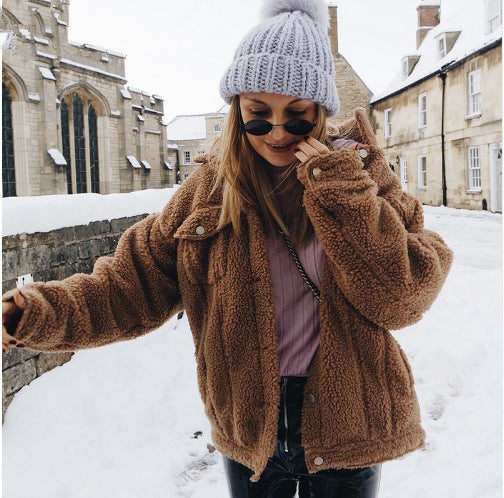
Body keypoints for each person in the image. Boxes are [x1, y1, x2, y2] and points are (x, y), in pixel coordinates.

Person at [2, 0, 453, 496]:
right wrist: (37, 313)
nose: (276, 132)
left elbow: (403, 297)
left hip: (351, 424)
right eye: (258, 115)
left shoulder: (362, 176)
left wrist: (340, 192)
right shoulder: (209, 192)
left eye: (297, 117)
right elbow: (130, 286)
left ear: (321, 112)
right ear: (237, 110)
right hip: (249, 428)